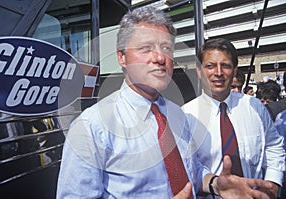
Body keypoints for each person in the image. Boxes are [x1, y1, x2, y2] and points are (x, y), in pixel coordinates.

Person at [57, 8, 274, 199]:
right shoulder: (91, 128)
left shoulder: (178, 115)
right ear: (122, 57)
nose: (160, 58)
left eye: (167, 49)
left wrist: (215, 184)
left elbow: (190, 171)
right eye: (146, 48)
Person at [181, 38, 285, 199]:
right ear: (199, 71)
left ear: (235, 70)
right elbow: (187, 168)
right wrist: (214, 184)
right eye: (210, 66)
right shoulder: (185, 116)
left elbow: (273, 146)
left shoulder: (255, 107)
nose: (218, 72)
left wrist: (273, 183)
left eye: (225, 65)